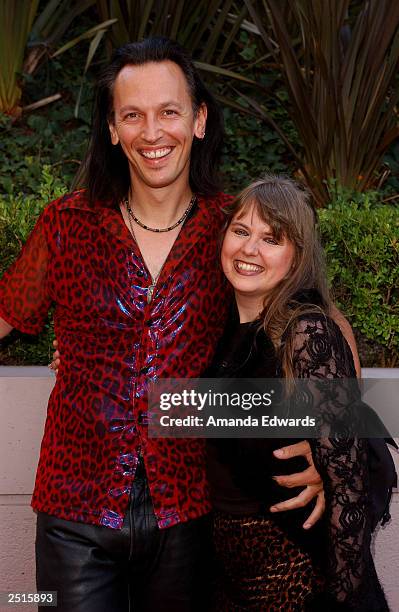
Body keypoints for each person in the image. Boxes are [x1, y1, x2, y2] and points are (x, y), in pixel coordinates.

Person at [0, 38, 359, 612]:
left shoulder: (230, 229)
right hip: (75, 513)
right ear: (113, 130)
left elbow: (320, 322)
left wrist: (331, 445)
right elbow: (7, 312)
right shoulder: (65, 224)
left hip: (190, 513)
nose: (152, 132)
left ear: (198, 120)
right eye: (132, 115)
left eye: (168, 111)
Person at [205, 175, 388, 610]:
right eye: (241, 231)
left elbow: (350, 485)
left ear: (297, 257)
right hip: (234, 584)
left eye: (272, 238)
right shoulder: (228, 328)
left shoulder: (306, 331)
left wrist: (342, 598)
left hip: (301, 585)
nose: (250, 249)